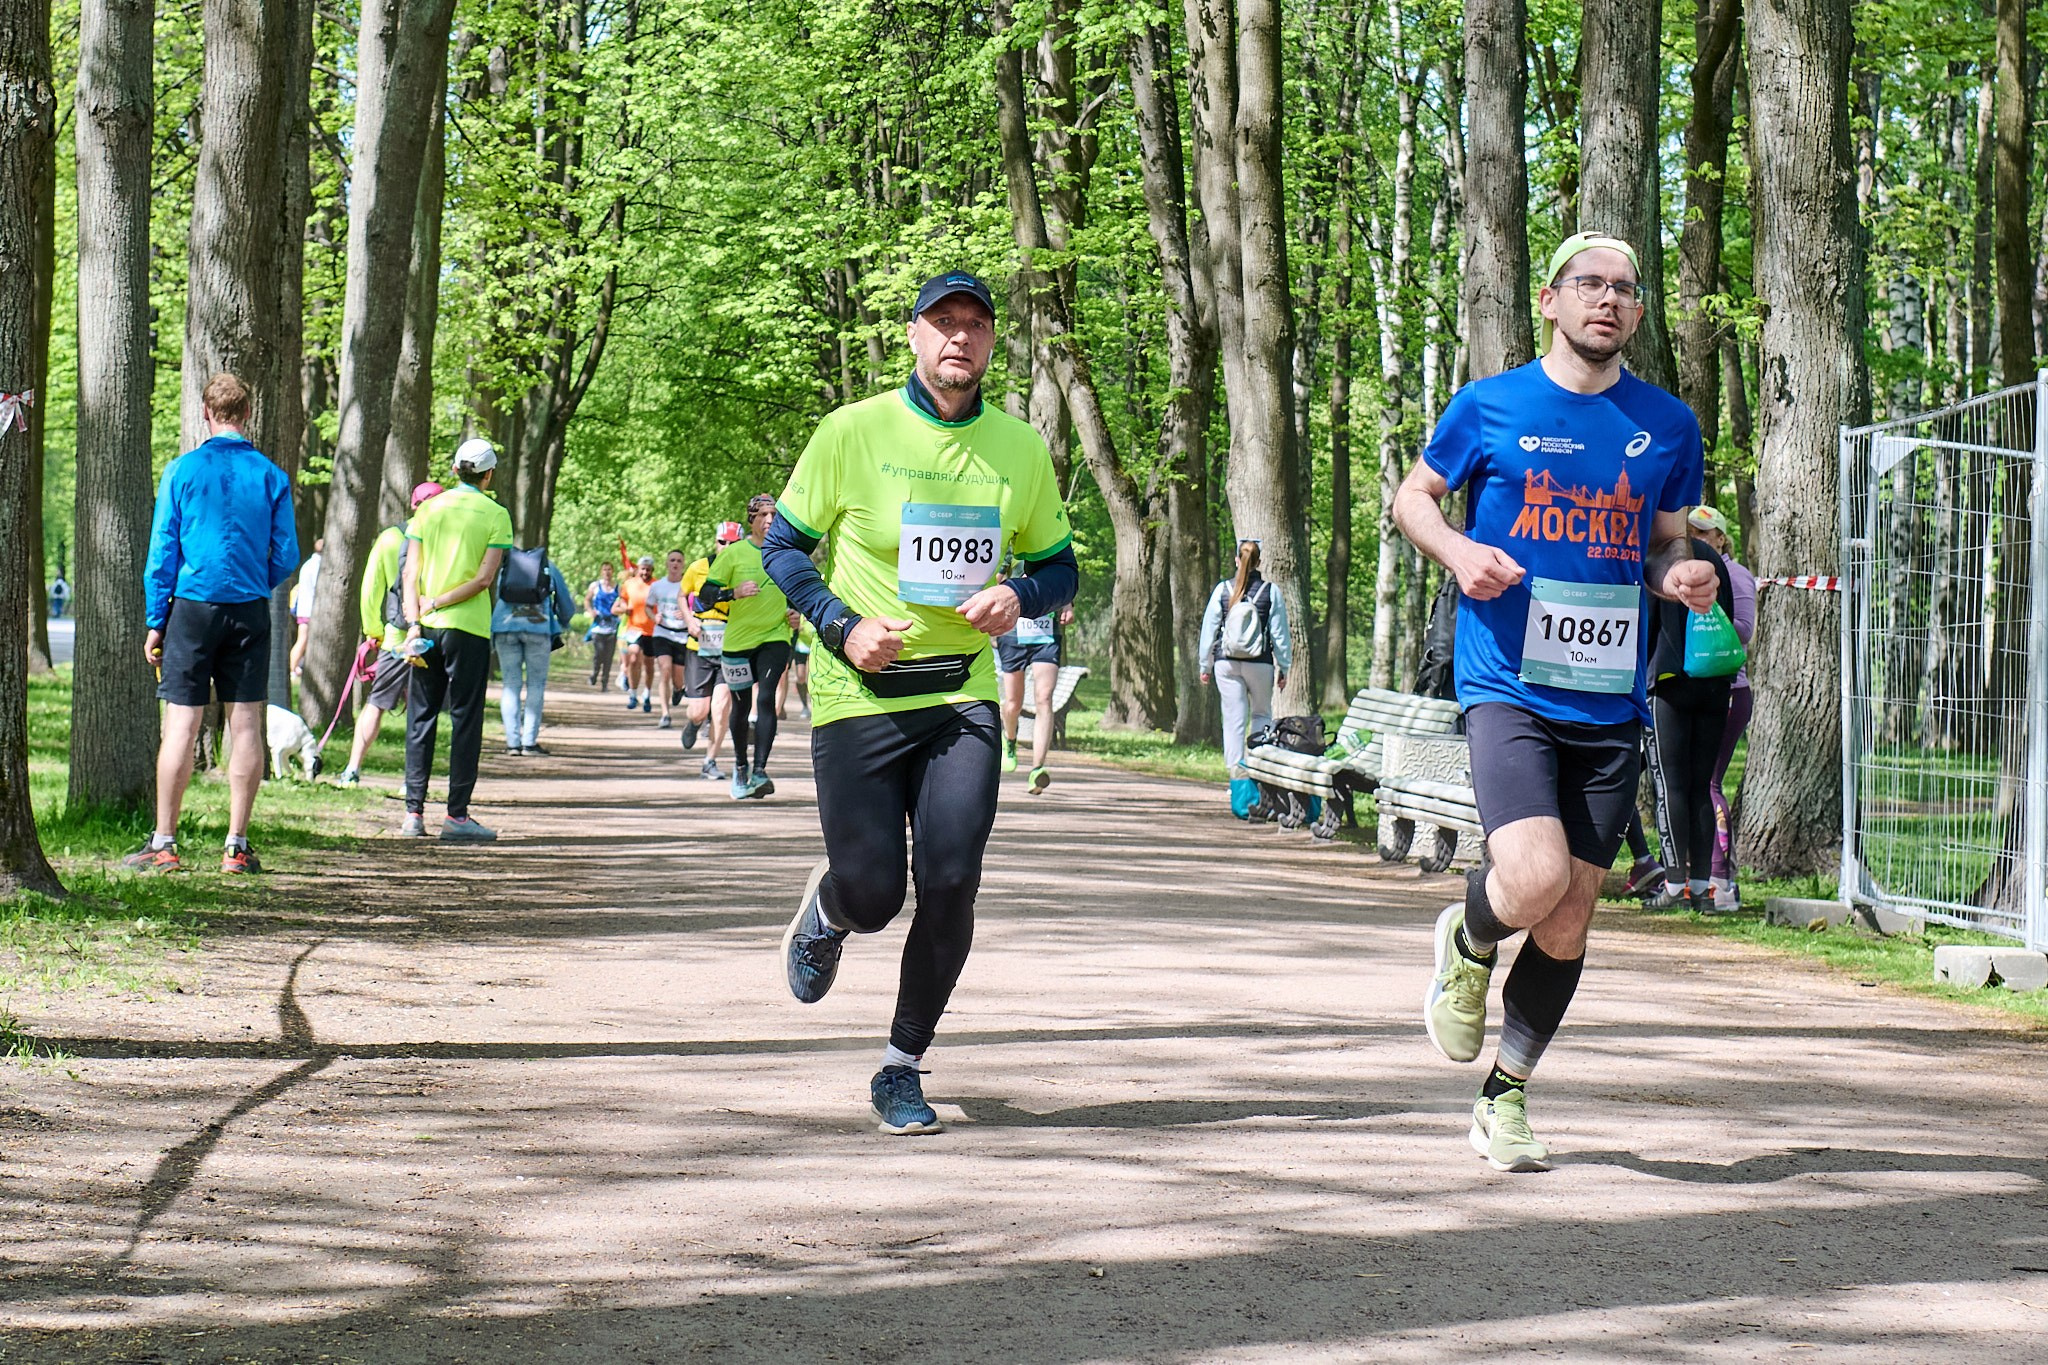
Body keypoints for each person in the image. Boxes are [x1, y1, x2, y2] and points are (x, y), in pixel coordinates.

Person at [1391, 231, 1716, 1173]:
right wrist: (1458, 553)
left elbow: (1662, 546)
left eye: (1624, 288)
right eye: (1589, 285)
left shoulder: (1668, 424)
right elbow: (1415, 498)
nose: (1607, 301)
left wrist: (1683, 574)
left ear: (1638, 311)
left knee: (1571, 916)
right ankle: (1469, 929)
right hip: (1508, 683)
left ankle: (1506, 1099)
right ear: (1550, 299)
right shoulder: (1489, 405)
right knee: (1529, 882)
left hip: (1610, 700)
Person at [763, 270, 1077, 1136]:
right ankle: (829, 908)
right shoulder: (853, 431)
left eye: (976, 325)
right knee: (875, 893)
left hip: (963, 694)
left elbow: (1062, 567)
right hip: (858, 690)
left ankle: (901, 1065)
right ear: (913, 334)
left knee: (950, 881)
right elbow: (784, 548)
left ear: (989, 344)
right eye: (944, 322)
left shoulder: (1019, 448)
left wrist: (1020, 592)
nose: (960, 338)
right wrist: (837, 622)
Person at [127, 373, 297, 874]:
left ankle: (164, 844)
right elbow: (286, 553)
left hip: (192, 607)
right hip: (248, 607)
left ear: (207, 413)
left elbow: (163, 552)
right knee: (245, 722)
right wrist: (251, 580)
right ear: (247, 414)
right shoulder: (271, 475)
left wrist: (156, 619)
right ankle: (237, 846)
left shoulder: (181, 471)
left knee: (182, 722)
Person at [399, 437, 514, 841]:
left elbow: (409, 574)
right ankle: (457, 816)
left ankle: (413, 813)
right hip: (468, 629)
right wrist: (441, 601)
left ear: (454, 470)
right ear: (489, 474)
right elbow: (484, 579)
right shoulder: (497, 514)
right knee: (465, 719)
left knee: (421, 716)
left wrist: (415, 620)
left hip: (425, 628)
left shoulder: (428, 509)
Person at [1642, 528, 1738, 911]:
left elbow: (1646, 623)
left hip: (1667, 683)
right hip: (1714, 682)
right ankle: (1701, 888)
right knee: (1702, 785)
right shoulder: (1710, 559)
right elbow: (1727, 616)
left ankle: (1673, 884)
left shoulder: (1655, 560)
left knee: (1671, 786)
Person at [335, 480, 444, 787]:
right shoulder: (447, 540)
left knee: (377, 703)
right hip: (433, 633)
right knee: (422, 709)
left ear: (413, 505)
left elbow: (371, 589)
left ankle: (352, 769)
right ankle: (414, 778)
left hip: (396, 636)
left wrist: (374, 631)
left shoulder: (390, 538)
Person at [697, 495, 797, 799]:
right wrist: (732, 592)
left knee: (766, 698)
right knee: (739, 708)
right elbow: (704, 596)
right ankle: (741, 767)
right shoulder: (734, 553)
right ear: (751, 519)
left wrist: (795, 612)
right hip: (738, 643)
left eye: (774, 515)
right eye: (763, 515)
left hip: (775, 637)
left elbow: (798, 587)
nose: (769, 520)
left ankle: (760, 771)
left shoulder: (786, 552)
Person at [1691, 505, 1755, 909]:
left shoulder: (1735, 575)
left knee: (1711, 781)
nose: (1697, 539)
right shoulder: (1684, 571)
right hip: (1696, 690)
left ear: (1720, 538)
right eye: (1691, 533)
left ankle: (1720, 878)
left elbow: (1744, 630)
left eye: (1705, 533)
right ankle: (1700, 872)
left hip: (1731, 690)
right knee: (1697, 781)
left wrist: (1709, 612)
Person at [1198, 540, 1291, 780]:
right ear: (1259, 562)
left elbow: (1209, 630)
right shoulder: (1271, 591)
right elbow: (1279, 634)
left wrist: (1205, 665)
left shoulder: (1223, 590)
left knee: (1233, 721)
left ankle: (1236, 780)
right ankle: (1258, 772)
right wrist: (1284, 667)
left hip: (1226, 662)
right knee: (1261, 715)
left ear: (1237, 561)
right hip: (1260, 663)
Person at [492, 546, 576, 756]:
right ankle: (529, 742)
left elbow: (498, 594)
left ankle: (512, 743)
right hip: (538, 630)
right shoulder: (549, 567)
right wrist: (563, 622)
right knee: (536, 685)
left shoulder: (505, 568)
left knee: (510, 685)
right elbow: (566, 604)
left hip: (505, 628)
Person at [678, 523, 742, 778]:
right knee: (700, 710)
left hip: (730, 647)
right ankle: (694, 722)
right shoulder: (698, 568)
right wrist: (689, 620)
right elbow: (682, 596)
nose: (727, 547)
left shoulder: (744, 571)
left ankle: (710, 761)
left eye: (732, 543)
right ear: (716, 542)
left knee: (721, 706)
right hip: (699, 647)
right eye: (722, 542)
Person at [997, 594, 1073, 794]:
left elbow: (1064, 578)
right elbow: (996, 581)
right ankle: (1010, 739)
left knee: (1044, 698)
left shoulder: (1053, 560)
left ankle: (1037, 768)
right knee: (1013, 704)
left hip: (1045, 635)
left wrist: (1067, 605)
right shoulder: (1009, 560)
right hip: (1013, 635)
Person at [642, 550, 692, 729]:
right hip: (662, 633)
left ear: (683, 565)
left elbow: (698, 608)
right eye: (672, 560)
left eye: (679, 560)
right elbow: (648, 607)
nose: (675, 564)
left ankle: (678, 690)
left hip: (682, 635)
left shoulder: (689, 585)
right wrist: (653, 617)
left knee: (678, 678)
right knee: (664, 670)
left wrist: (688, 613)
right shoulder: (658, 586)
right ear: (666, 564)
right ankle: (665, 714)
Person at [617, 555, 657, 711]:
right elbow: (622, 601)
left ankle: (646, 694)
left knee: (649, 663)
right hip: (634, 628)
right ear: (638, 569)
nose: (645, 572)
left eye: (648, 569)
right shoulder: (629, 584)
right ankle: (633, 694)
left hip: (652, 630)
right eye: (642, 569)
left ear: (652, 570)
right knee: (633, 658)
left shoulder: (656, 584)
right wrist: (624, 607)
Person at [587, 563, 621, 691]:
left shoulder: (618, 588)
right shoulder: (595, 586)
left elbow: (623, 602)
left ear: (613, 571)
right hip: (598, 626)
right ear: (601, 572)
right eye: (605, 570)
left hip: (612, 627)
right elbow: (587, 600)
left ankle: (605, 682)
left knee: (609, 656)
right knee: (599, 653)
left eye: (609, 570)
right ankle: (595, 673)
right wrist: (591, 611)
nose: (607, 572)